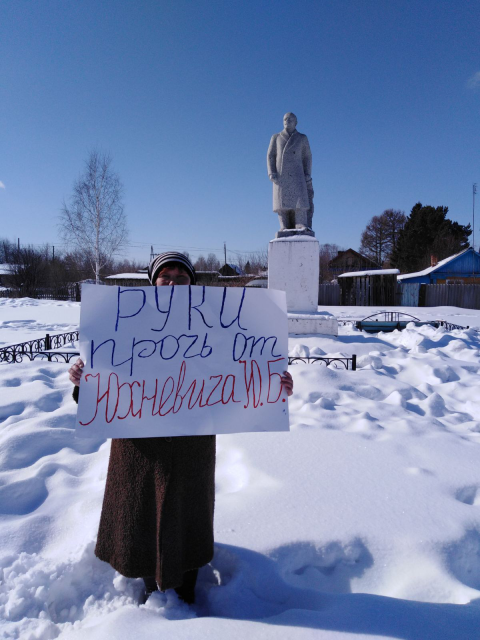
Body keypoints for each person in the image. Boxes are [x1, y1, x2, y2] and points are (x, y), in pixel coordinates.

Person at [69, 251, 294, 605]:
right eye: (165, 276)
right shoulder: (124, 323)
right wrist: (85, 380)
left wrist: (274, 384)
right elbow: (100, 393)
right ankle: (147, 582)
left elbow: (238, 371)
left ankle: (187, 586)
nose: (173, 283)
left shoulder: (212, 324)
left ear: (193, 282)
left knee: (188, 514)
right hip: (139, 445)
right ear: (153, 282)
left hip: (193, 443)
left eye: (181, 277)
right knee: (140, 513)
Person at [267, 112, 314, 233]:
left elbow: (307, 157)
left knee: (300, 200)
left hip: (298, 174)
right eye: (285, 119)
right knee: (282, 202)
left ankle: (301, 222)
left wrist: (307, 173)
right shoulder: (276, 137)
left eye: (290, 119)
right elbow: (271, 156)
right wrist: (271, 172)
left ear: (296, 122)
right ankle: (284, 224)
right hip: (281, 174)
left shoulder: (302, 138)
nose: (287, 121)